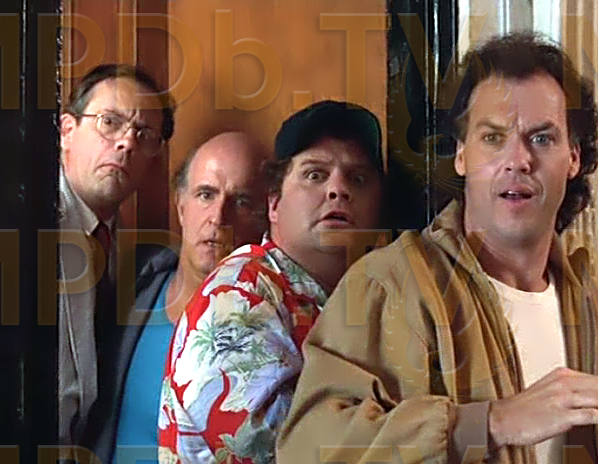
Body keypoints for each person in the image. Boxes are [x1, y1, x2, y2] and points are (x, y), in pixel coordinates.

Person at [277, 33, 598, 464]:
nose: (517, 160)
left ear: (573, 158)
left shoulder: (589, 304)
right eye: (493, 138)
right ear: (461, 155)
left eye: (541, 138)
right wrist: (491, 423)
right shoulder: (387, 286)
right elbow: (309, 451)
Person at [158, 100, 386, 463]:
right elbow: (293, 452)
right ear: (274, 204)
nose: (338, 189)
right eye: (315, 175)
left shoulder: (372, 296)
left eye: (357, 178)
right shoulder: (237, 295)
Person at [86, 132, 270, 464]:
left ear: (268, 216)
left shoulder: (273, 331)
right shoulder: (135, 287)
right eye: (206, 194)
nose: (219, 216)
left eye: (242, 201)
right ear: (181, 206)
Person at [58, 63, 175, 450]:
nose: (126, 143)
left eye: (144, 134)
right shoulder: (25, 223)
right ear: (67, 131)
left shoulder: (126, 249)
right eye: (110, 122)